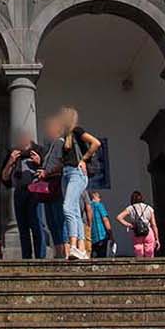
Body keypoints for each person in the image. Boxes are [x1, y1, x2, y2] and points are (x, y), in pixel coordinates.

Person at [43, 107, 100, 261]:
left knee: (67, 207)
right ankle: (81, 248)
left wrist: (84, 159)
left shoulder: (77, 131)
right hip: (66, 174)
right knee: (74, 211)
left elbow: (96, 143)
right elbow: (63, 162)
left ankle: (73, 246)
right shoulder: (65, 137)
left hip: (77, 173)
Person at [0, 131, 45, 260]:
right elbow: (4, 177)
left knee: (37, 224)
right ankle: (26, 258)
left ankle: (40, 257)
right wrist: (10, 161)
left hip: (36, 190)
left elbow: (48, 171)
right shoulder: (13, 153)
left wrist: (39, 162)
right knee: (23, 227)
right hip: (19, 191)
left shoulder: (39, 150)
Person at [36, 116, 68, 257]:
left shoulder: (60, 144)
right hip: (48, 186)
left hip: (56, 185)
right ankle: (58, 253)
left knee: (59, 219)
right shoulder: (51, 146)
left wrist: (46, 172)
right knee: (51, 221)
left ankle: (65, 253)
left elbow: (62, 164)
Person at [116, 191, 159, 259]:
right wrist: (157, 238)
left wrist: (129, 225)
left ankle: (140, 267)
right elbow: (154, 224)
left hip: (137, 231)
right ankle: (150, 266)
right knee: (149, 251)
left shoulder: (131, 208)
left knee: (138, 251)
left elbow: (119, 217)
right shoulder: (149, 208)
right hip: (148, 231)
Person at [88, 191, 112, 259]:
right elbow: (105, 219)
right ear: (94, 197)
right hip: (101, 235)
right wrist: (110, 234)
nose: (100, 199)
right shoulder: (99, 205)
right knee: (102, 257)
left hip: (92, 236)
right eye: (99, 197)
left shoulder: (88, 206)